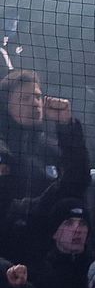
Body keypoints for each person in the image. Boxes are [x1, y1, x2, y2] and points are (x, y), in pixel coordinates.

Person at [0, 74, 89, 232]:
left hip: (48, 241)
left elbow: (79, 180)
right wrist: (54, 195)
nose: (35, 103)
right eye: (24, 98)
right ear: (6, 106)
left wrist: (66, 125)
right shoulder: (3, 151)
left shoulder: (52, 149)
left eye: (37, 97)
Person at [27, 201, 91, 288]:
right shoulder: (37, 273)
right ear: (54, 232)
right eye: (69, 223)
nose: (77, 230)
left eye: (83, 224)